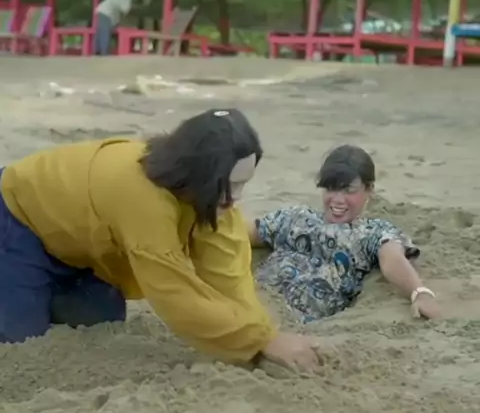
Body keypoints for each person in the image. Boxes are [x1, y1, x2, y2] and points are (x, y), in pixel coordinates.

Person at [0, 109, 319, 369]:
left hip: (77, 250)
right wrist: (263, 340)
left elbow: (229, 276)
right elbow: (173, 292)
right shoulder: (142, 198)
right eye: (228, 184)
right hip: (16, 218)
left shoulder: (210, 198)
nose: (235, 197)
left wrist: (261, 340)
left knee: (100, 317)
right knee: (21, 342)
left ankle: (36, 290)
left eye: (242, 184)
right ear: (199, 171)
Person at [249, 144, 441, 323]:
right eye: (331, 189)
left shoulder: (373, 233)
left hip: (292, 318)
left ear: (369, 189)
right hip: (251, 300)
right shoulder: (294, 217)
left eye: (349, 190)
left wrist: (420, 293)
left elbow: (392, 258)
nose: (338, 199)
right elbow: (244, 233)